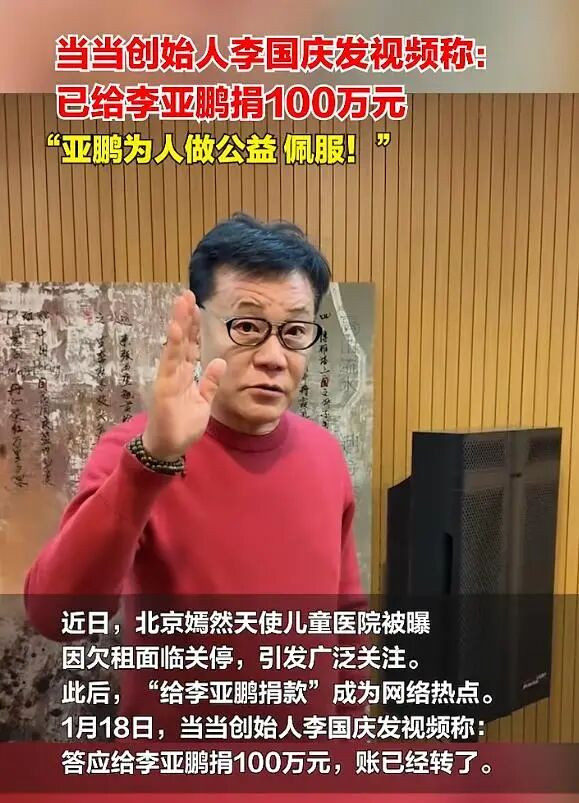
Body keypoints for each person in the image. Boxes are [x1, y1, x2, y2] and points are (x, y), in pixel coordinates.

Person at [24, 212, 367, 735]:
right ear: (198, 327)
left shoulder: (324, 453)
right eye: (246, 326)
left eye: (295, 331)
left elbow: (347, 618)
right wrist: (151, 462)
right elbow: (56, 616)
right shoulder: (137, 451)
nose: (274, 357)